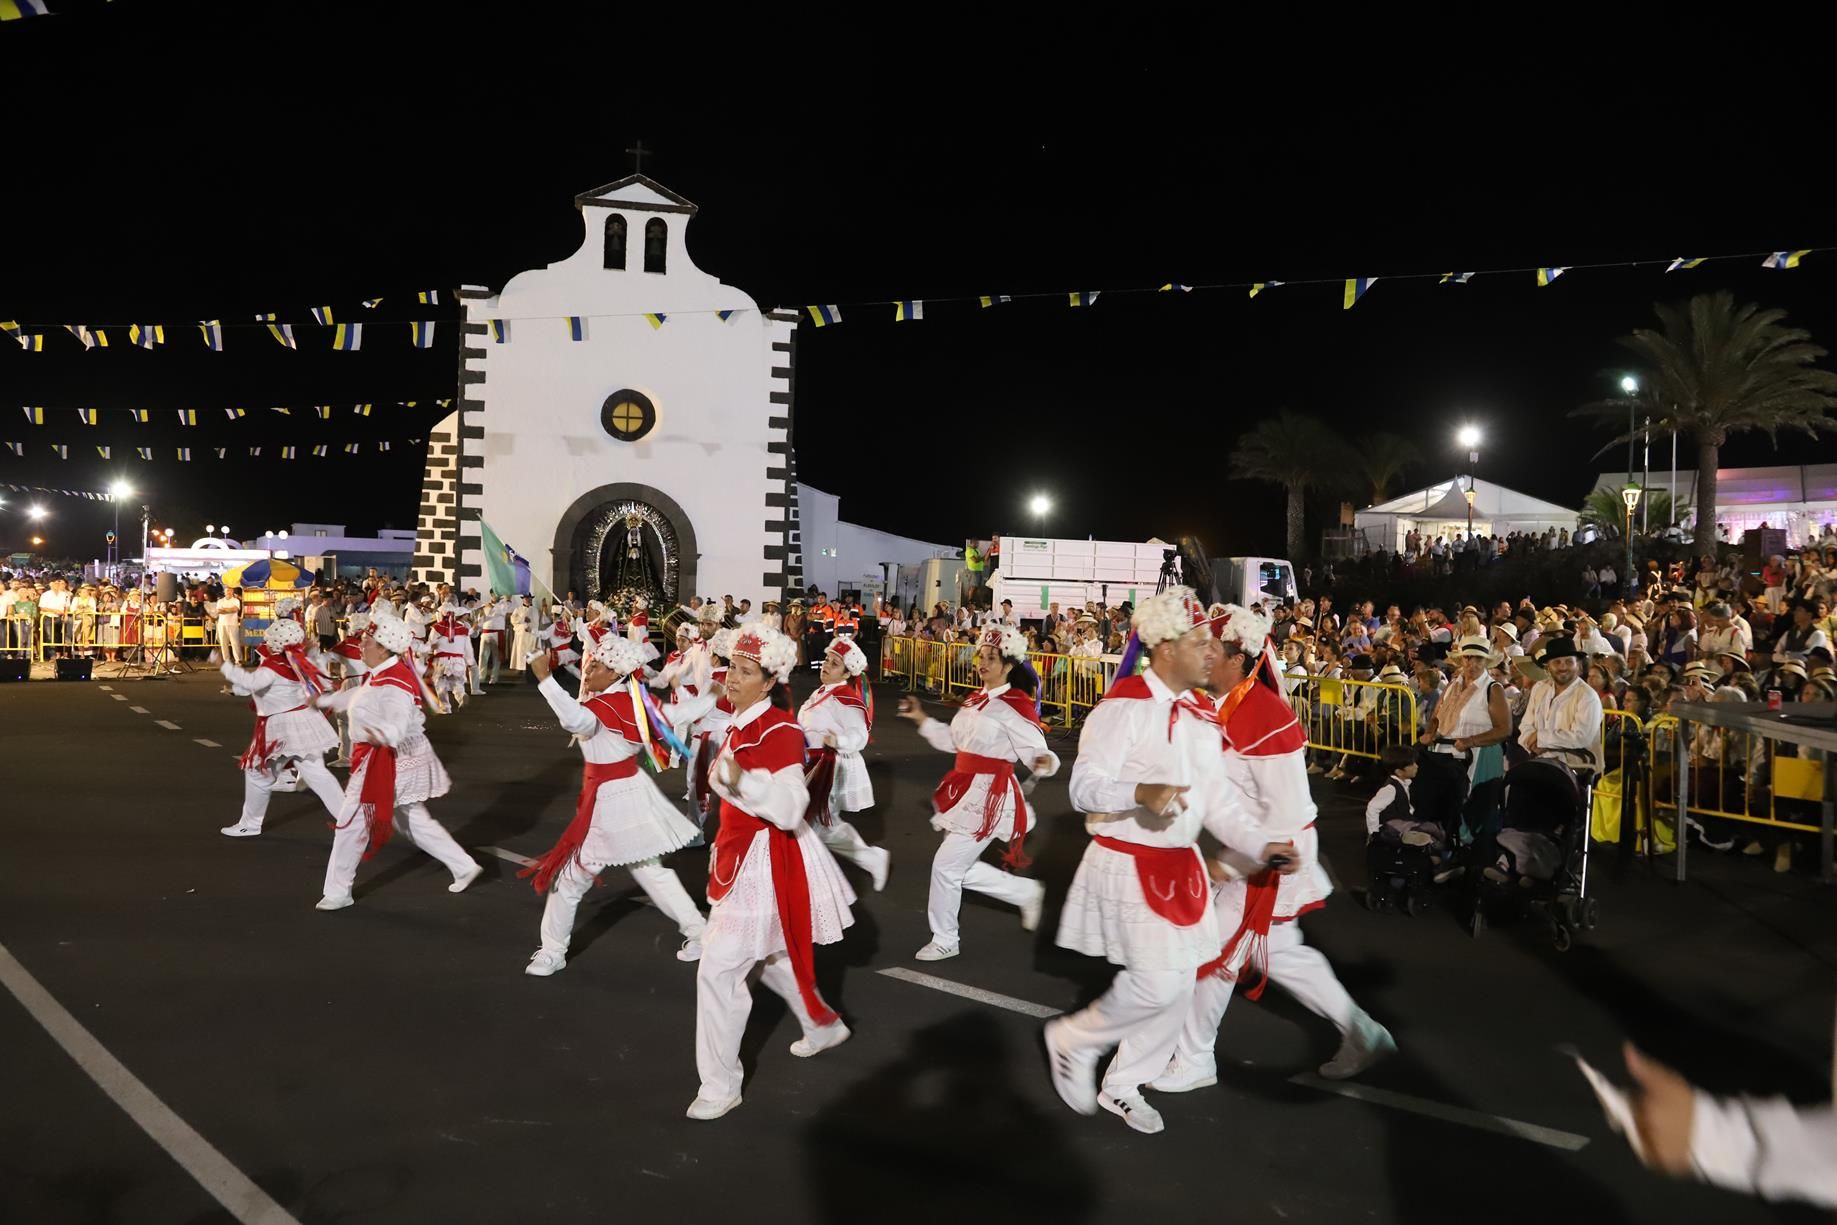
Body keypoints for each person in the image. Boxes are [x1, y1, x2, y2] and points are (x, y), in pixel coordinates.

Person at [1045, 589, 1289, 1136]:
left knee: (1179, 989)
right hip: (1127, 862)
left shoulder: (1203, 712)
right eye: (1200, 642)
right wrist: (1139, 791)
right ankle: (1073, 1041)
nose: (1210, 653)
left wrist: (1261, 843)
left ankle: (1122, 1085)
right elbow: (1083, 786)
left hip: (1181, 867)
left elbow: (1218, 800)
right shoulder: (1123, 706)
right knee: (1158, 986)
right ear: (1164, 648)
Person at [1155, 604, 1394, 1096]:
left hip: (1272, 853)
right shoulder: (1225, 704)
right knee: (1282, 953)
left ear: (1238, 658)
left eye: (1211, 649)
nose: (1202, 656)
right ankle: (1363, 1032)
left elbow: (1286, 812)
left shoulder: (1264, 714)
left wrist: (1235, 861)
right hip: (1258, 850)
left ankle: (1194, 1057)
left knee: (1212, 953)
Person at [689, 625, 855, 1121]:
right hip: (742, 851)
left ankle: (720, 1084)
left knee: (718, 969)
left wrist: (748, 782)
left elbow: (790, 806)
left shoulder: (779, 730)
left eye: (745, 672)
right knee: (769, 953)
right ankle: (821, 1025)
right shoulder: (742, 723)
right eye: (731, 668)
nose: (732, 679)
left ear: (768, 681)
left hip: (767, 856)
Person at [520, 635, 708, 975]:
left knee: (571, 878)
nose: (588, 667)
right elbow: (682, 711)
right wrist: (713, 698)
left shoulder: (604, 707)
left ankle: (552, 951)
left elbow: (576, 721)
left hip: (610, 802)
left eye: (597, 665)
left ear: (616, 674)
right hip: (632, 794)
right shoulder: (637, 703)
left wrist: (545, 680)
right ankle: (702, 935)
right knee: (652, 873)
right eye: (590, 662)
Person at [901, 624, 1055, 960]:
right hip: (964, 790)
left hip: (990, 796)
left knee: (946, 865)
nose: (982, 662)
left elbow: (1036, 750)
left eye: (991, 657)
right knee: (958, 866)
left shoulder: (1016, 704)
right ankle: (1024, 892)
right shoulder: (975, 699)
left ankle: (945, 939)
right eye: (981, 656)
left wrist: (1044, 760)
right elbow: (955, 743)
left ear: (1009, 665)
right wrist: (921, 718)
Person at [310, 616, 482, 910]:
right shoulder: (382, 672)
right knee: (409, 817)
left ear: (385, 648)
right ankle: (463, 864)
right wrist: (326, 702)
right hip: (390, 756)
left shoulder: (395, 680)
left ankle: (338, 891)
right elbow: (359, 697)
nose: (361, 644)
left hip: (389, 758)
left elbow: (399, 720)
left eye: (368, 641)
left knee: (352, 821)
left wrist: (384, 735)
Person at [217, 618, 346, 838]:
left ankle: (250, 824)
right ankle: (350, 819)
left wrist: (223, 664)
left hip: (281, 727)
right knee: (317, 774)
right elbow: (264, 687)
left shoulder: (274, 664)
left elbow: (253, 683)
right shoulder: (297, 660)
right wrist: (236, 689)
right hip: (303, 721)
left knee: (258, 773)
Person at [797, 636, 892, 892]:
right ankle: (871, 859)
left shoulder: (845, 698)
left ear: (847, 672)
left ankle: (810, 883)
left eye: (834, 663)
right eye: (827, 659)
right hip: (813, 763)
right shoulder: (823, 691)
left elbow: (859, 734)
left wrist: (837, 739)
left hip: (831, 767)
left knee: (808, 824)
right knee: (823, 825)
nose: (826, 665)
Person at [1519, 636, 1605, 772]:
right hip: (1540, 763)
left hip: (1578, 770)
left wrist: (1541, 739)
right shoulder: (1539, 688)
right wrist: (1531, 742)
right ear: (1548, 666)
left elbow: (1581, 737)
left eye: (1569, 662)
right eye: (1557, 662)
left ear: (1578, 665)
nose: (1563, 667)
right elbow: (1526, 725)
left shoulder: (1588, 696)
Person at [427, 603, 476, 710]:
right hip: (458, 661)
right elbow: (468, 648)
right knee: (457, 683)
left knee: (440, 684)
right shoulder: (464, 630)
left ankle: (445, 708)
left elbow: (431, 644)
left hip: (441, 661)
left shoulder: (436, 628)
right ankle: (461, 696)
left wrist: (424, 653)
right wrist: (470, 663)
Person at [215, 587, 245, 666]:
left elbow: (235, 609)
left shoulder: (236, 600)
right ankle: (226, 660)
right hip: (222, 624)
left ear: (232, 592)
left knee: (235, 643)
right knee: (223, 643)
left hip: (233, 624)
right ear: (224, 592)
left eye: (230, 590)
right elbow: (219, 611)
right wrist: (229, 610)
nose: (228, 592)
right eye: (227, 590)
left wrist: (224, 610)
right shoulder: (220, 601)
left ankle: (238, 660)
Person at [509, 594, 537, 674]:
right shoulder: (518, 609)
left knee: (530, 651)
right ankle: (520, 667)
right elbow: (513, 620)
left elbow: (536, 622)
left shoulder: (535, 610)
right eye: (526, 598)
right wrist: (523, 619)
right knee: (520, 651)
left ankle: (529, 669)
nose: (528, 600)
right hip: (521, 633)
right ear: (523, 599)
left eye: (529, 598)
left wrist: (530, 626)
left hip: (530, 634)